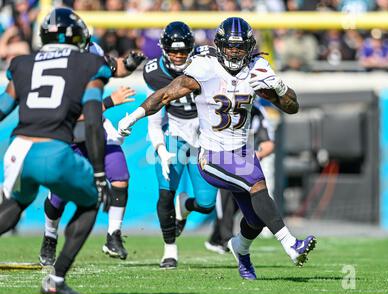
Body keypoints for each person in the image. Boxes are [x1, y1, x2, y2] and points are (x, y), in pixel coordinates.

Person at [118, 17, 317, 280]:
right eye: (230, 47)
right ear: (219, 46)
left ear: (250, 47)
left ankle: (240, 250)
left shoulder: (256, 67)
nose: (235, 52)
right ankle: (291, 245)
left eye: (240, 47)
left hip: (242, 152)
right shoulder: (205, 67)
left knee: (256, 219)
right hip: (212, 154)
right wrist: (132, 118)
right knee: (256, 184)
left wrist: (280, 86)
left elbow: (292, 107)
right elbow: (165, 95)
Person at [0, 7, 110, 294]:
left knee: (13, 206)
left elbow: (2, 108)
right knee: (91, 201)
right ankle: (56, 280)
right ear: (77, 37)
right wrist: (99, 171)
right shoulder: (90, 63)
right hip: (53, 152)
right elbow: (94, 121)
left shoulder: (23, 63)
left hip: (18, 152)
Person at [38, 16, 146, 266]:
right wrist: (109, 102)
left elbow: (113, 67)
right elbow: (68, 109)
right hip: (66, 131)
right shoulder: (56, 66)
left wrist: (130, 63)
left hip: (95, 130)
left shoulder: (91, 51)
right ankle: (50, 235)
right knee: (59, 195)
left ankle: (113, 234)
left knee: (119, 176)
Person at [143, 21, 217, 269]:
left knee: (206, 204)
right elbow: (154, 121)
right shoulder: (156, 73)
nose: (177, 56)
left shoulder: (205, 66)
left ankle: (185, 206)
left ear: (191, 49)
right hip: (173, 135)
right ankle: (169, 251)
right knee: (165, 193)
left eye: (182, 51)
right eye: (173, 51)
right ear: (164, 49)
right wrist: (161, 150)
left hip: (202, 139)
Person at [205, 103, 276, 254]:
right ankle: (225, 239)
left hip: (247, 164)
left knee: (250, 205)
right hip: (223, 159)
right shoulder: (221, 106)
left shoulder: (256, 112)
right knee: (223, 199)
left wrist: (257, 155)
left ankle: (216, 238)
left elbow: (268, 142)